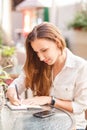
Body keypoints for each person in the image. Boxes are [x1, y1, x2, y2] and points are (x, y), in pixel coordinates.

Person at [6, 22, 87, 130]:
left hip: (73, 126)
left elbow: (80, 106)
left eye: (44, 50)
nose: (40, 58)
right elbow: (19, 82)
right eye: (37, 52)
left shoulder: (81, 67)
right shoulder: (38, 63)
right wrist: (12, 90)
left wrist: (50, 100)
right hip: (41, 123)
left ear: (57, 42)